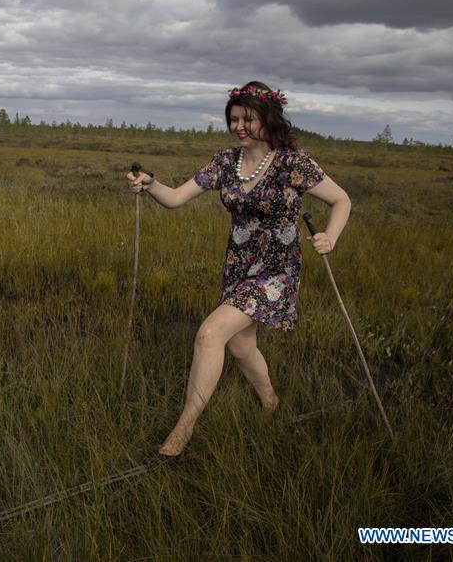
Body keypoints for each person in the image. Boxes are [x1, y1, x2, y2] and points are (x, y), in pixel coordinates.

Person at [125, 81, 351, 457]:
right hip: (239, 267)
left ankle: (183, 431)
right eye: (234, 119)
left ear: (268, 118)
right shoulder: (225, 163)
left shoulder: (293, 163)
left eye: (248, 118)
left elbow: (341, 199)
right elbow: (177, 198)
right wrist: (149, 184)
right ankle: (270, 400)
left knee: (210, 334)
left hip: (276, 271)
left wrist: (331, 236)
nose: (239, 126)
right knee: (242, 345)